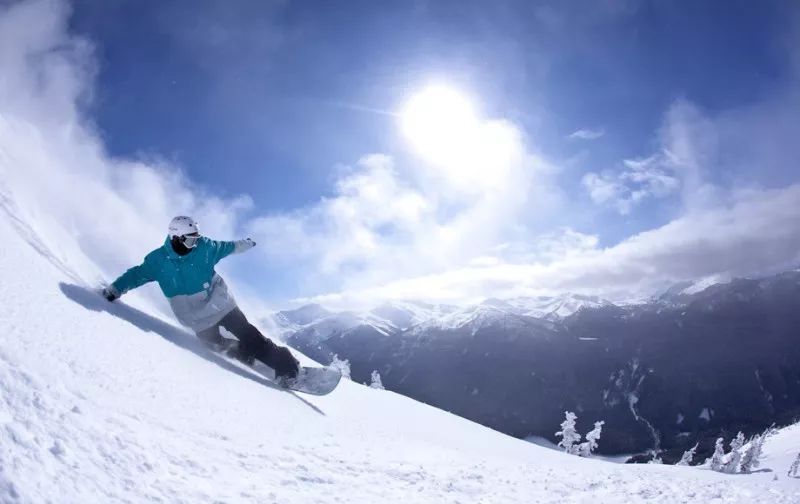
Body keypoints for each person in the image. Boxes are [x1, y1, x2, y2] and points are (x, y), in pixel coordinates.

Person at [102, 216, 300, 384]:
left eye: (196, 239)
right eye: (190, 241)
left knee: (251, 337)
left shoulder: (205, 248)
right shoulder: (158, 261)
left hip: (222, 305)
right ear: (176, 238)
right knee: (216, 346)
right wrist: (115, 289)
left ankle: (288, 368)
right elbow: (136, 275)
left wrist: (247, 243)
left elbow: (229, 247)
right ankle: (245, 355)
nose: (195, 244)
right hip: (197, 320)